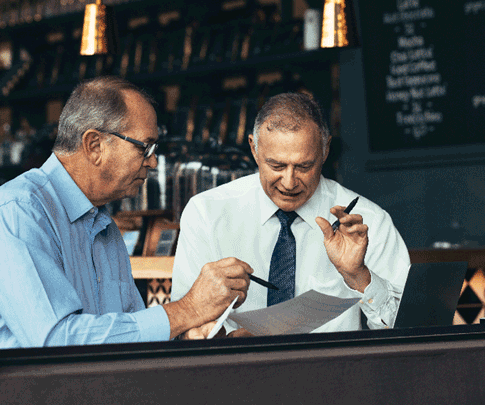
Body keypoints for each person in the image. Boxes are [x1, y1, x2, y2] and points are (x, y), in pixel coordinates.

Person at [0, 76, 251, 348]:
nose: (153, 161)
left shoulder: (102, 225)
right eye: (145, 147)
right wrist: (188, 310)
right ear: (94, 145)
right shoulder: (19, 211)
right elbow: (56, 341)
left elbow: (127, 333)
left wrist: (190, 335)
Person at [172, 92, 410, 334]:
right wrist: (219, 335)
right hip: (238, 368)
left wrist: (359, 277)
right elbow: (187, 324)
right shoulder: (207, 213)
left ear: (325, 151)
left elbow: (406, 330)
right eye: (276, 166)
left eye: (304, 166)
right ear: (254, 149)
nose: (289, 182)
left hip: (334, 369)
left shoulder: (369, 222)